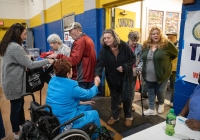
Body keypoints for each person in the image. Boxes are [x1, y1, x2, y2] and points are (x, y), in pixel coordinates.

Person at [0, 23, 54, 140]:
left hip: (11, 82)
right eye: (24, 34)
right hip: (14, 84)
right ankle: (16, 132)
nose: (25, 37)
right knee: (16, 107)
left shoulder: (8, 45)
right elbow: (29, 64)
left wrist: (25, 58)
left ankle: (22, 124)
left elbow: (17, 61)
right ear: (18, 33)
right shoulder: (15, 47)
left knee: (20, 104)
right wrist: (47, 61)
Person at [46, 59, 101, 140]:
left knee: (87, 107)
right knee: (95, 114)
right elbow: (89, 94)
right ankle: (96, 138)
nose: (73, 72)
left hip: (53, 118)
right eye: (72, 70)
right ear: (68, 74)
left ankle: (87, 131)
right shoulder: (72, 86)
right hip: (65, 123)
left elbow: (62, 99)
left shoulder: (52, 80)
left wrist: (81, 103)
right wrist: (96, 85)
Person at [95, 29, 136, 127]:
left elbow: (132, 58)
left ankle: (129, 116)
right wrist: (97, 75)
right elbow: (100, 64)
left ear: (114, 37)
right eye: (104, 38)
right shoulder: (104, 50)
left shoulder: (123, 46)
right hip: (112, 78)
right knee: (114, 98)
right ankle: (115, 116)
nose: (106, 40)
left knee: (127, 97)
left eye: (108, 38)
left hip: (126, 77)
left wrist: (124, 67)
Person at [48, 22, 96, 89]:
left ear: (76, 30)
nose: (70, 34)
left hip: (82, 76)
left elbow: (73, 61)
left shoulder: (80, 42)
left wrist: (57, 56)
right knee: (87, 97)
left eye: (70, 31)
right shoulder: (88, 39)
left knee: (81, 98)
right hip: (88, 75)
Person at [141, 27, 178, 115]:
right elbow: (143, 57)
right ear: (150, 35)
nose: (155, 35)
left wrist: (165, 62)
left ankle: (161, 104)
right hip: (148, 73)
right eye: (153, 34)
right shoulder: (146, 45)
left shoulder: (167, 44)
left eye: (157, 33)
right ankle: (151, 109)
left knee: (160, 91)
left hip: (163, 74)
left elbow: (175, 54)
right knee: (150, 91)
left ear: (160, 35)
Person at [119, 31, 143, 112]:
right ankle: (119, 102)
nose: (135, 43)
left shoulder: (140, 47)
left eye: (136, 40)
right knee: (122, 86)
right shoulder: (123, 46)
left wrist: (139, 67)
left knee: (131, 88)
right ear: (129, 39)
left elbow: (142, 60)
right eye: (133, 40)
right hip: (124, 70)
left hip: (133, 70)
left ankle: (130, 104)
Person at [166, 31, 178, 107]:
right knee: (162, 85)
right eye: (168, 37)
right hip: (166, 68)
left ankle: (172, 101)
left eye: (172, 37)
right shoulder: (165, 45)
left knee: (174, 85)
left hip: (174, 69)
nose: (169, 39)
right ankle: (159, 98)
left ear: (176, 38)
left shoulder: (179, 46)